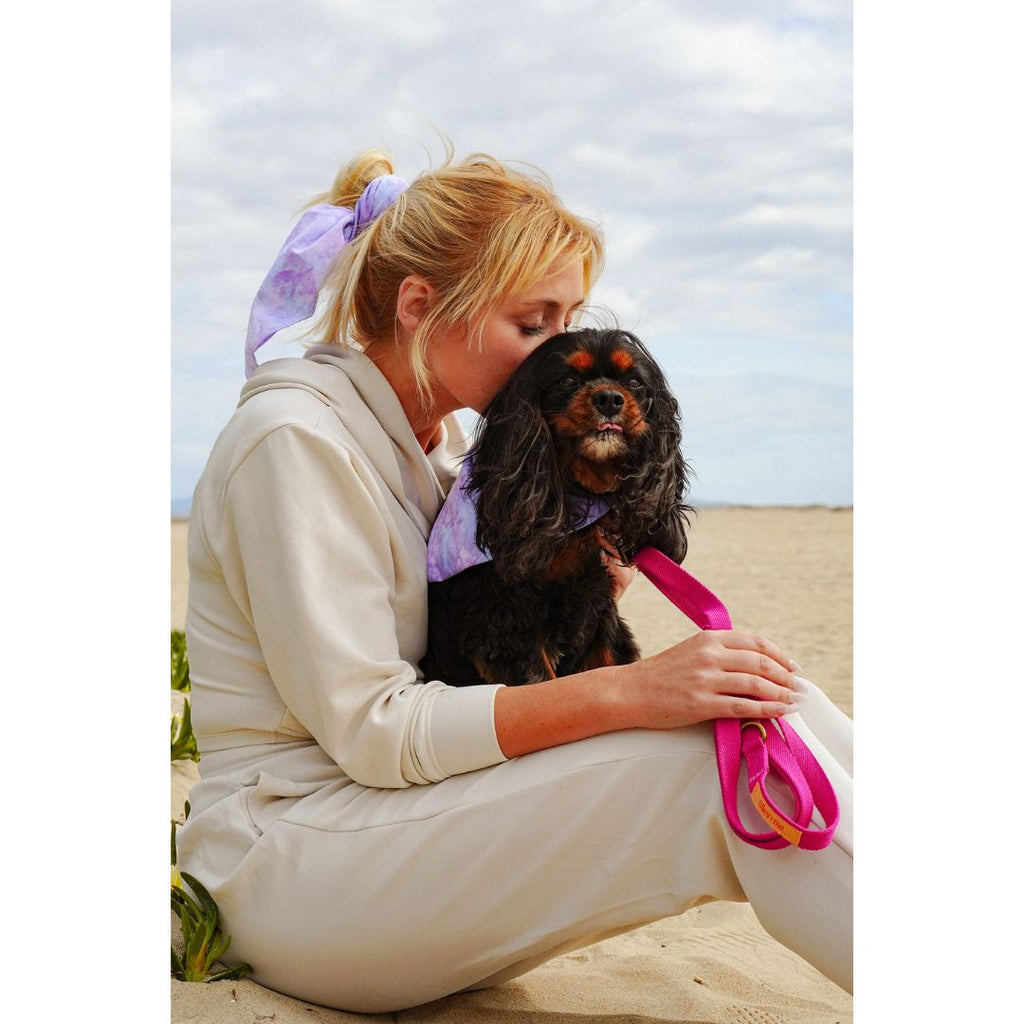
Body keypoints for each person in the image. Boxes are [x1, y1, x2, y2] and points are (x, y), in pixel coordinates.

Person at [177, 145, 853, 1014]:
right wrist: (634, 691)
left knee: (769, 702)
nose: (561, 346)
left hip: (406, 822)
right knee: (713, 768)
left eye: (569, 318)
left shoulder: (449, 450)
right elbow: (375, 731)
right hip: (292, 865)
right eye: (533, 325)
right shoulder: (295, 442)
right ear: (420, 305)